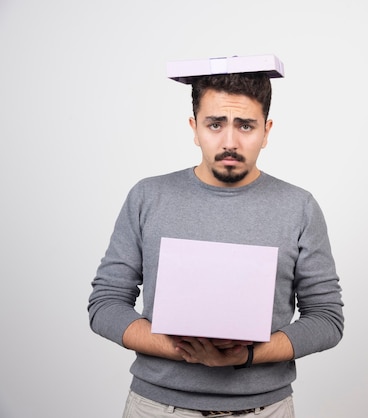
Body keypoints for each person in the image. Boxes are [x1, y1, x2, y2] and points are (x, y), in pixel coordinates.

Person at [87, 64, 344, 417]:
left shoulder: (299, 207)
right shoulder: (148, 197)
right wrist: (183, 350)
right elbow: (106, 304)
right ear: (194, 128)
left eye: (246, 126)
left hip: (264, 409)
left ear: (266, 131)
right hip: (158, 407)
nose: (229, 142)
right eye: (215, 124)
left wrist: (246, 356)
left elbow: (327, 319)